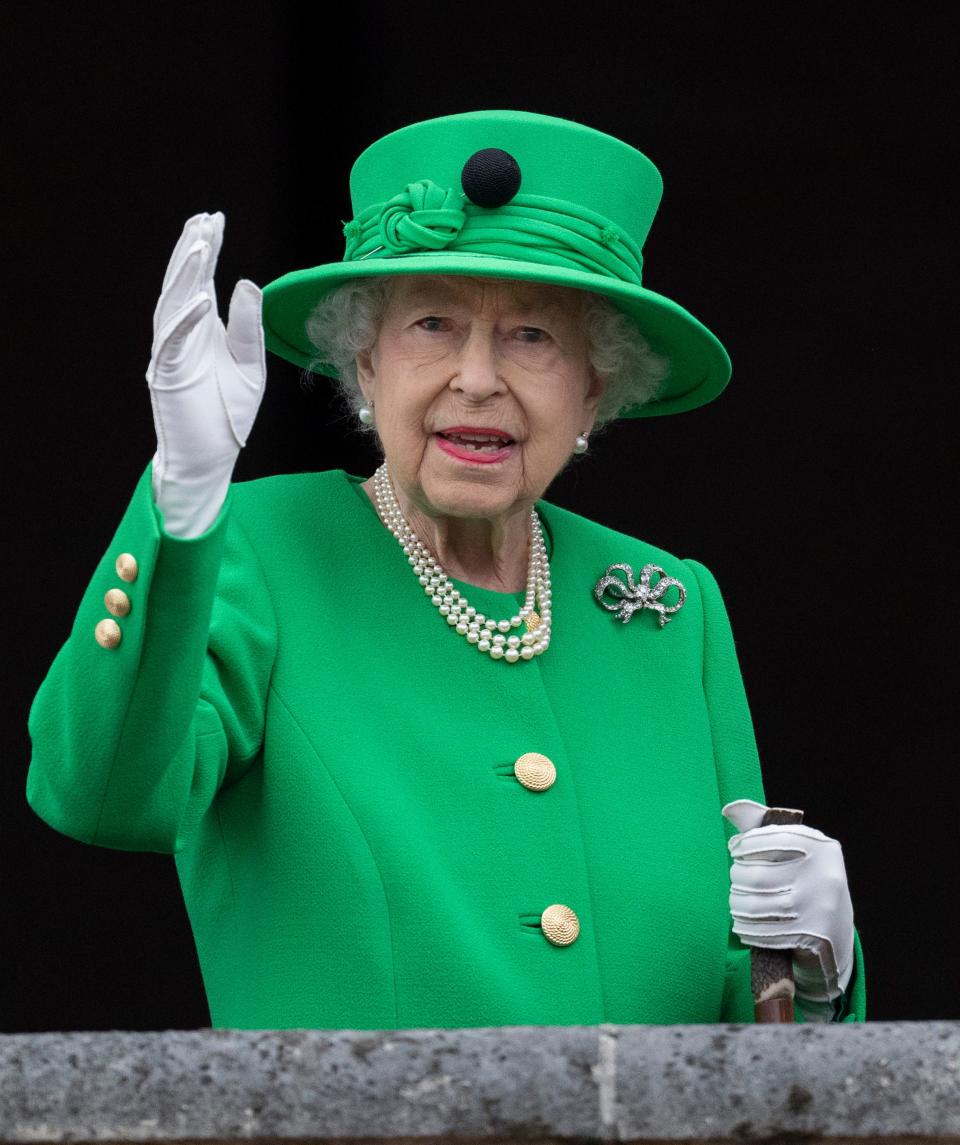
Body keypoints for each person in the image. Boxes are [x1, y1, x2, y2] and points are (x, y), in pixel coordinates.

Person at [25, 108, 864, 1030]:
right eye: (433, 323)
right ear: (365, 365)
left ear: (593, 388)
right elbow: (101, 794)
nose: (476, 377)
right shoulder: (258, 549)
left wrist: (816, 980)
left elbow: (755, 1052)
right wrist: (183, 503)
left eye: (532, 336)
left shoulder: (668, 609)